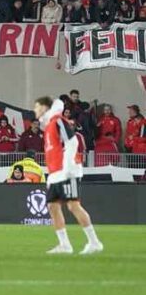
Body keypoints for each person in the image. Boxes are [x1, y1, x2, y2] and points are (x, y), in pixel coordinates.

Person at [34, 96, 103, 255]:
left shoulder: (58, 121)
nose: (35, 111)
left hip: (66, 171)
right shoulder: (50, 124)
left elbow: (72, 143)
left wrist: (66, 169)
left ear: (45, 108)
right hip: (56, 172)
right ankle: (64, 245)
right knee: (53, 206)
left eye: (37, 107)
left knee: (73, 205)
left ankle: (94, 242)